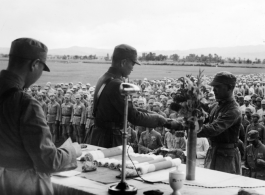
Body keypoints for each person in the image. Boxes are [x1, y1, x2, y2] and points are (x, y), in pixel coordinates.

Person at [0, 38, 81, 195]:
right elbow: (48, 161)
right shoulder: (25, 103)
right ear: (34, 64)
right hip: (24, 184)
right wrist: (73, 151)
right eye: (41, 68)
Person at [87, 44, 176, 148]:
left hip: (100, 135)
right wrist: (161, 120)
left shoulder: (105, 78)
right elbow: (133, 116)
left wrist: (151, 113)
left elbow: (127, 109)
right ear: (123, 62)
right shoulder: (116, 84)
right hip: (109, 139)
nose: (132, 68)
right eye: (132, 64)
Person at [197, 71, 242, 175]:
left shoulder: (233, 110)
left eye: (217, 86)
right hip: (213, 152)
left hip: (226, 157)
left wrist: (190, 128)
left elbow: (214, 129)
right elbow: (207, 108)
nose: (214, 90)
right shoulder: (218, 105)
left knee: (223, 188)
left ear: (229, 88)